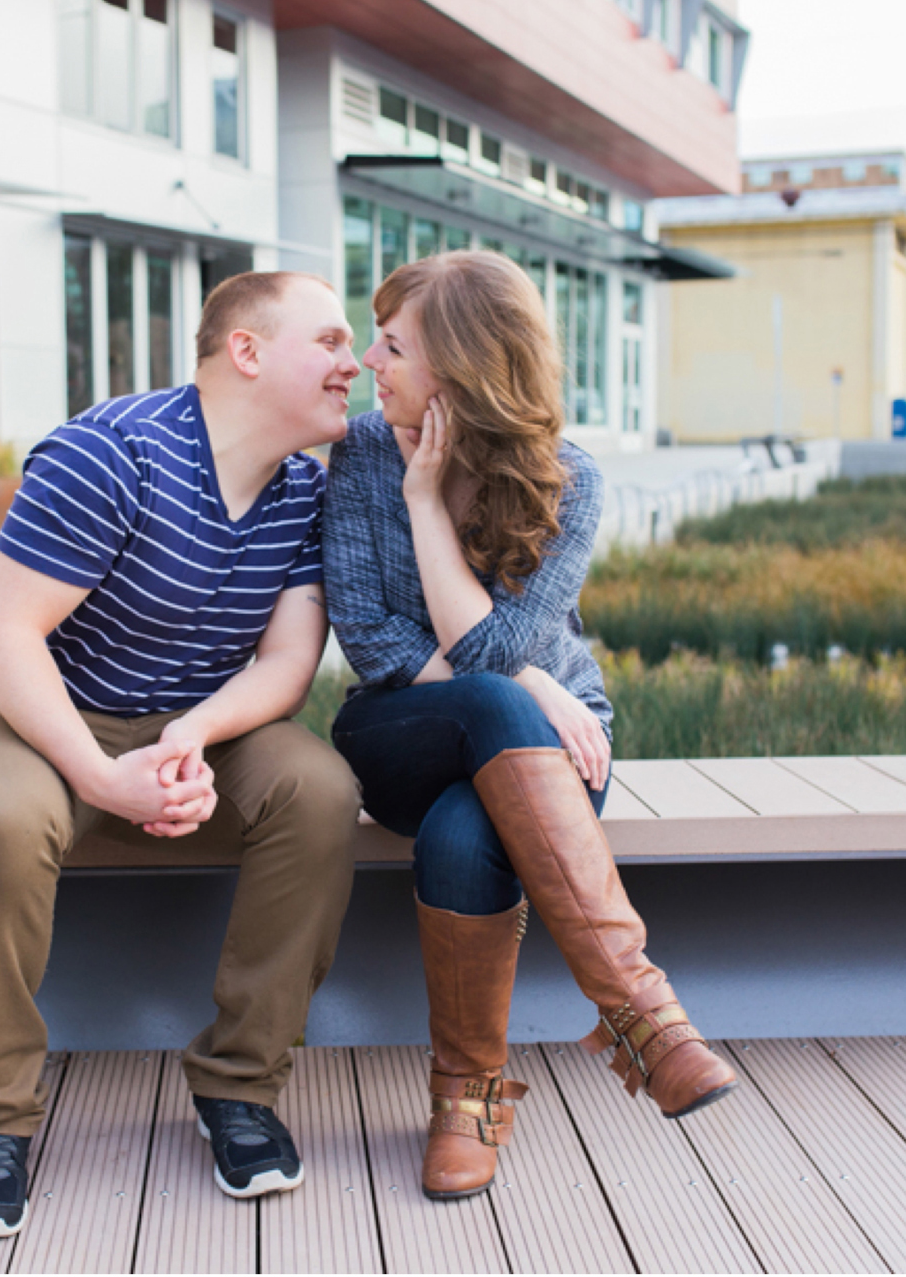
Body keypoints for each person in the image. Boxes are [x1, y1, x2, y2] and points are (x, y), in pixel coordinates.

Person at [0, 271, 365, 1238]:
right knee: (5, 820)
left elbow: (289, 662)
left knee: (321, 791)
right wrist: (98, 775)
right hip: (33, 714)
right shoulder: (112, 453)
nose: (356, 362)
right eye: (331, 341)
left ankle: (240, 1087)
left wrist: (188, 738)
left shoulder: (302, 486)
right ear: (245, 351)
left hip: (194, 719)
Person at [323, 251, 737, 1202]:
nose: (370, 365)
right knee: (504, 697)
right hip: (402, 731)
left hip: (540, 755)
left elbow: (496, 644)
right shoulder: (361, 454)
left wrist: (430, 509)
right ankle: (644, 1014)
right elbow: (373, 641)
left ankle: (466, 1100)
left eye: (393, 345)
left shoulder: (568, 481)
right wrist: (532, 689)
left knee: (466, 833)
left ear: (461, 364)